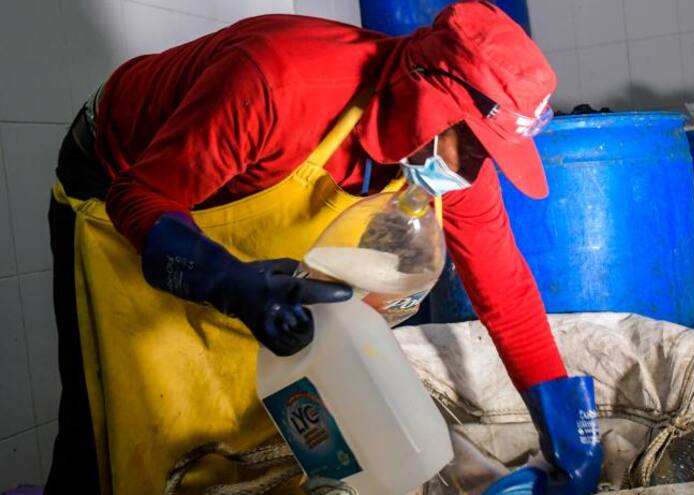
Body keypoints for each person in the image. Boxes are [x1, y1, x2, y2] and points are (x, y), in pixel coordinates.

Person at [47, 1, 602, 493]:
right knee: (110, 425)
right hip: (117, 175)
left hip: (227, 196)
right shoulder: (277, 86)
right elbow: (142, 194)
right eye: (477, 148)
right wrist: (229, 283)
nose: (480, 170)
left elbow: (504, 290)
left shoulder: (455, 160)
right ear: (428, 102)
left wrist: (561, 418)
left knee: (264, 406)